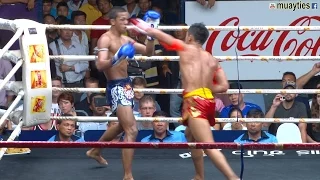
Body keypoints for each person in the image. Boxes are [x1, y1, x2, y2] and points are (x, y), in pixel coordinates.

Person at [130, 21, 239, 180]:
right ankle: (199, 175)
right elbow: (224, 86)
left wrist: (147, 26)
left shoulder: (185, 49)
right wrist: (206, 87)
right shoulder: (212, 59)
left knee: (208, 146)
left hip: (196, 103)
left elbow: (161, 36)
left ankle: (233, 178)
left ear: (190, 36)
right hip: (207, 101)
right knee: (190, 136)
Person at [86, 7, 158, 180]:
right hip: (116, 86)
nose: (126, 22)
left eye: (127, 19)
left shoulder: (126, 39)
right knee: (131, 130)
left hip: (126, 85)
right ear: (112, 21)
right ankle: (127, 175)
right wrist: (117, 56)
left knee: (122, 125)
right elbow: (100, 65)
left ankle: (95, 150)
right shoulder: (105, 39)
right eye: (122, 20)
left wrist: (150, 34)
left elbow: (149, 52)